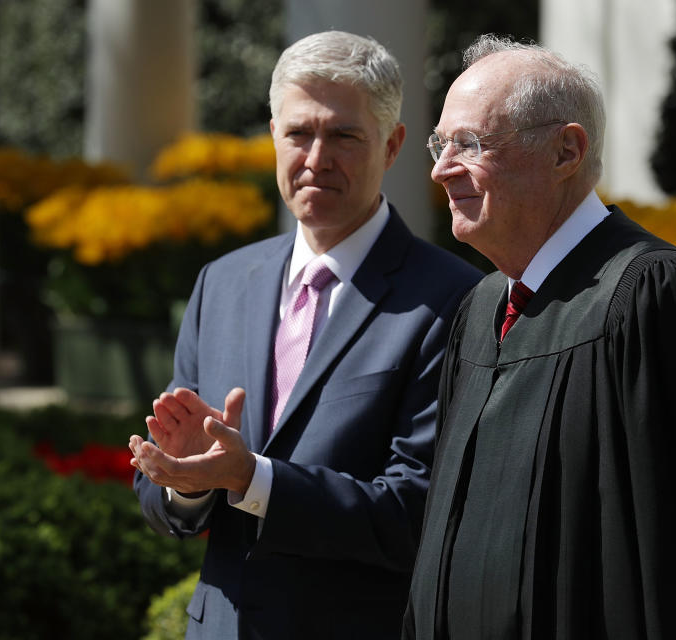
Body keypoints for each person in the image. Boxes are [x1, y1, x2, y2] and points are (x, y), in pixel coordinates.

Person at [403, 35, 676, 639]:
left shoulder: (656, 301)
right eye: (440, 143)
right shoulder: (481, 312)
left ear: (566, 150)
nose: (440, 168)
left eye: (470, 144)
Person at [129, 30, 482, 639]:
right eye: (298, 133)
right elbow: (167, 496)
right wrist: (184, 482)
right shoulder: (223, 282)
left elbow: (420, 510)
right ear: (272, 136)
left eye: (344, 135)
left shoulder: (453, 299)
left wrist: (250, 478)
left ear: (393, 146)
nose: (317, 158)